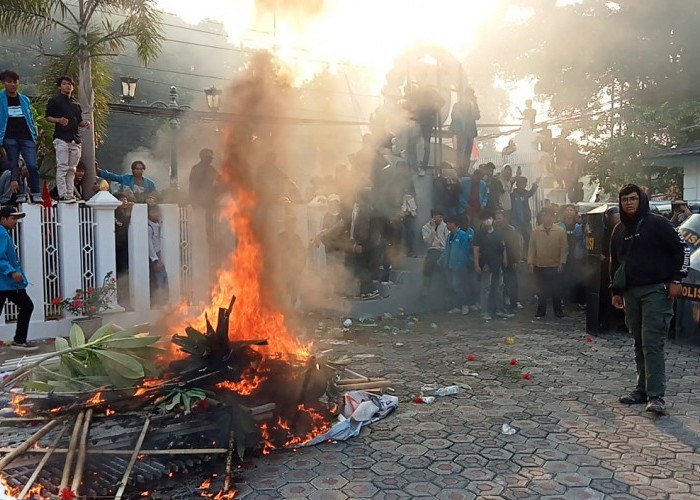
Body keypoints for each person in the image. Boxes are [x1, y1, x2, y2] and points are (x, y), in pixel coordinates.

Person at [611, 184, 689, 414]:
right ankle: (641, 390)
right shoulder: (618, 230)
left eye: (633, 198)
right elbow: (614, 263)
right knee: (638, 341)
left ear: (641, 199)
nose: (628, 203)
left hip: (657, 290)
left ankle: (656, 396)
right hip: (630, 292)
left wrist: (677, 280)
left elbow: (681, 249)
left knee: (652, 343)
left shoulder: (658, 223)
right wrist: (614, 291)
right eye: (624, 199)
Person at [45, 75, 91, 203]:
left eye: (69, 84)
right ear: (60, 86)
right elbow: (48, 117)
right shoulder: (54, 100)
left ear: (73, 87)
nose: (67, 86)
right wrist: (59, 120)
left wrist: (85, 124)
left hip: (75, 139)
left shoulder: (76, 104)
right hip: (61, 137)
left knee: (72, 169)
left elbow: (79, 121)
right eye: (64, 84)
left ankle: (70, 194)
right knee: (63, 166)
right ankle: (62, 193)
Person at [0, 70, 41, 204]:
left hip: (26, 137)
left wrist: (33, 135)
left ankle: (35, 192)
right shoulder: (1, 99)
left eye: (15, 82)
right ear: (3, 83)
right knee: (14, 165)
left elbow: (30, 118)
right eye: (9, 82)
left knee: (32, 165)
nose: (12, 84)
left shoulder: (24, 99)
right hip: (9, 137)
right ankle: (20, 193)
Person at [0, 206, 36, 351]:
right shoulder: (1, 233)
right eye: (13, 218)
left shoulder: (4, 232)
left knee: (27, 306)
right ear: (3, 218)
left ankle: (19, 340)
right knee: (27, 306)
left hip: (7, 283)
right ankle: (19, 340)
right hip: (6, 282)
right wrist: (12, 272)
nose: (16, 221)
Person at [528, 206, 567, 319]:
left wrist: (562, 262)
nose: (546, 217)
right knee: (541, 290)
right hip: (540, 264)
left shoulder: (559, 231)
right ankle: (541, 311)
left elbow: (564, 248)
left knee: (556, 289)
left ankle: (558, 311)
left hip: (554, 264)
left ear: (553, 217)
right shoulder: (536, 231)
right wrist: (531, 262)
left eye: (549, 215)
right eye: (544, 215)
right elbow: (532, 248)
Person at [473, 211, 511, 320]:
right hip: (486, 264)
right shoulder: (479, 234)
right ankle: (484, 311)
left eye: (489, 217)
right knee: (486, 288)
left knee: (499, 287)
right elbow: (476, 250)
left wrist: (505, 258)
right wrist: (476, 264)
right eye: (485, 218)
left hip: (497, 263)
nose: (488, 220)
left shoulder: (498, 232)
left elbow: (503, 246)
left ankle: (499, 309)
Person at [439, 216, 473, 315]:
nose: (447, 225)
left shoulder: (462, 235)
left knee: (460, 285)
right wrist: (441, 259)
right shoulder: (449, 236)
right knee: (452, 286)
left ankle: (465, 304)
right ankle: (456, 306)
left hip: (459, 266)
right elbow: (447, 249)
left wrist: (458, 264)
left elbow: (463, 251)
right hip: (449, 264)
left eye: (449, 223)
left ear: (454, 223)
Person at [556, 204, 586, 309]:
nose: (569, 212)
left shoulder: (578, 226)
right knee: (563, 277)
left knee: (577, 277)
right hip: (564, 255)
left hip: (576, 256)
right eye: (567, 210)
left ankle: (577, 300)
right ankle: (564, 299)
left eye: (571, 210)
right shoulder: (559, 225)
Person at [495, 210, 523, 312]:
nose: (497, 220)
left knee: (511, 282)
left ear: (505, 219)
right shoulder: (494, 230)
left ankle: (514, 302)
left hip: (510, 260)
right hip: (497, 261)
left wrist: (516, 260)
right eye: (496, 218)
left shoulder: (511, 231)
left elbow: (516, 246)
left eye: (499, 218)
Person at [450, 88, 480, 172]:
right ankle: (459, 170)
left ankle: (465, 170)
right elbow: (454, 118)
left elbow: (477, 116)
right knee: (461, 152)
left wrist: (474, 105)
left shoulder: (473, 105)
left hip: (470, 132)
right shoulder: (458, 105)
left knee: (467, 153)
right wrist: (458, 130)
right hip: (462, 132)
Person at [421, 209, 448, 296]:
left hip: (443, 249)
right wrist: (433, 229)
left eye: (441, 216)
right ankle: (426, 289)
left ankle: (445, 291)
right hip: (433, 249)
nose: (440, 218)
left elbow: (447, 239)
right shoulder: (426, 227)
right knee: (428, 263)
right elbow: (428, 241)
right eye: (438, 216)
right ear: (433, 217)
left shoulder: (445, 226)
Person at [147, 204, 169, 307]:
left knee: (164, 276)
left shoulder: (158, 223)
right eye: (152, 212)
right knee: (160, 278)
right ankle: (159, 301)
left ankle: (164, 299)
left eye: (157, 212)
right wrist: (155, 259)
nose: (155, 214)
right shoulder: (149, 227)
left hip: (160, 252)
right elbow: (150, 245)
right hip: (155, 255)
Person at [511, 175, 539, 251]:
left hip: (526, 220)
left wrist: (536, 183)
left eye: (523, 184)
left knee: (528, 238)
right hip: (516, 221)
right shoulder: (513, 194)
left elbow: (531, 191)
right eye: (520, 184)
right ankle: (518, 256)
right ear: (516, 185)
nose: (521, 186)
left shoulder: (526, 193)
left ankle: (528, 255)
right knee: (516, 239)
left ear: (525, 185)